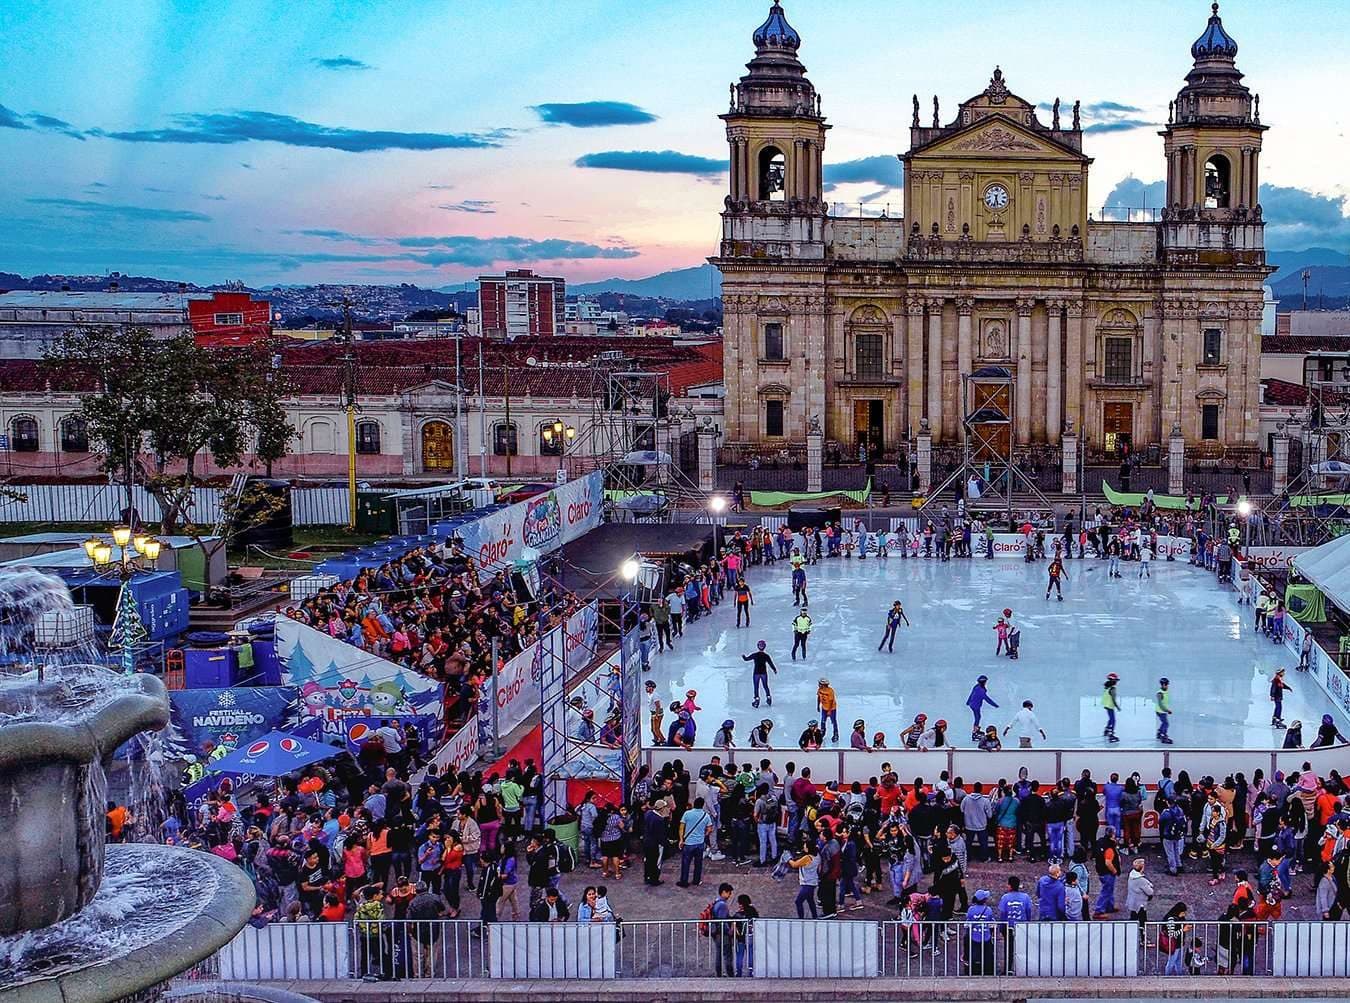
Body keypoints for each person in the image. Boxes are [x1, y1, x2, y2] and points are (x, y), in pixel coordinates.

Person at [677, 797, 713, 887]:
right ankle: (696, 880)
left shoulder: (687, 814)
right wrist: (704, 835)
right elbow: (710, 829)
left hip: (688, 843)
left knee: (685, 863)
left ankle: (684, 881)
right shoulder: (706, 815)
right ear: (702, 805)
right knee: (698, 863)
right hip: (700, 843)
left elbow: (681, 827)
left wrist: (681, 839)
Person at [966, 889, 997, 975]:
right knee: (987, 955)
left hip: (974, 936)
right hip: (986, 936)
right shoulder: (988, 910)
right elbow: (991, 923)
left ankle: (973, 970)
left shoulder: (971, 909)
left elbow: (968, 923)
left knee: (974, 954)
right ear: (984, 900)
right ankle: (988, 971)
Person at [709, 882, 736, 977]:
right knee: (727, 955)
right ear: (723, 892)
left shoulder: (716, 902)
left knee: (719, 954)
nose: (730, 895)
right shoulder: (722, 905)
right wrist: (729, 931)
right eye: (729, 893)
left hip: (716, 933)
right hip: (722, 934)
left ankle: (719, 974)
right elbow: (722, 921)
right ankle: (730, 974)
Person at [742, 640, 777, 708]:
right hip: (764, 673)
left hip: (756, 673)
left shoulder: (755, 655)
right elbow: (770, 663)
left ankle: (757, 699)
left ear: (758, 646)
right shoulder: (766, 656)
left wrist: (743, 656)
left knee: (756, 686)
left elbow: (746, 659)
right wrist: (774, 669)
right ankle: (768, 697)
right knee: (765, 686)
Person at [1125, 857, 1155, 934]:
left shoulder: (1131, 876)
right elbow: (1150, 892)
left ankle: (1130, 935)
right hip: (1140, 905)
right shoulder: (1141, 880)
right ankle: (1142, 938)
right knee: (1142, 922)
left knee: (1133, 919)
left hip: (1133, 902)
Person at [966, 676, 999, 740]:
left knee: (978, 717)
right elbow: (987, 699)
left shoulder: (977, 686)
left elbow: (971, 694)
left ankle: (976, 731)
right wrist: (995, 705)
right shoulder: (981, 690)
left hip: (973, 704)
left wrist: (968, 702)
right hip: (976, 705)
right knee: (977, 717)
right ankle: (975, 733)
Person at [733, 893, 758, 977]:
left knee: (739, 955)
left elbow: (733, 923)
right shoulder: (753, 911)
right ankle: (751, 971)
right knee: (750, 953)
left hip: (740, 938)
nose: (739, 905)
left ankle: (738, 972)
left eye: (740, 903)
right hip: (750, 937)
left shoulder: (737, 915)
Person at [816, 678, 839, 743]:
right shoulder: (820, 690)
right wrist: (818, 705)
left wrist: (829, 711)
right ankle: (822, 732)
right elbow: (818, 697)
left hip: (832, 709)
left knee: (833, 721)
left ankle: (836, 734)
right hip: (824, 708)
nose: (819, 685)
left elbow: (831, 701)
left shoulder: (830, 691)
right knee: (823, 721)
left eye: (820, 684)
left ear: (824, 684)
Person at [1102, 673, 1121, 743]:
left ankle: (1106, 730)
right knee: (1113, 720)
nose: (1117, 682)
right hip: (1110, 706)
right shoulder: (1113, 689)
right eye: (1116, 680)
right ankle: (1111, 734)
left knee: (1110, 719)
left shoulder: (1107, 688)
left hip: (1106, 705)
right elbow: (1113, 699)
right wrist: (1117, 706)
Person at [1155, 677, 1174, 745]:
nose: (1167, 686)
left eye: (1167, 685)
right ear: (1163, 685)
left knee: (1164, 722)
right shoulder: (1160, 693)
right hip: (1161, 711)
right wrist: (1167, 710)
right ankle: (1163, 735)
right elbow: (1160, 704)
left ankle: (1160, 732)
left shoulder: (1165, 692)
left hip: (1163, 711)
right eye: (1166, 685)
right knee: (1166, 723)